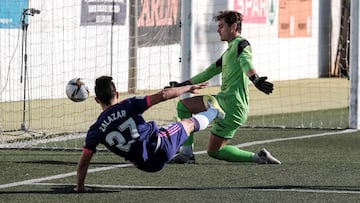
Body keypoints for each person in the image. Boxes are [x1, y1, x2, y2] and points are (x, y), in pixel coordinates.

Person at [74, 75, 225, 192]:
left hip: (146, 165)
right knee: (189, 123)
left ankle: (185, 151)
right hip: (161, 146)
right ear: (117, 94)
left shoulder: (95, 130)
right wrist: (188, 88)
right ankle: (214, 111)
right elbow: (164, 95)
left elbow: (84, 161)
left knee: (139, 148)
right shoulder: (129, 105)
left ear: (97, 100)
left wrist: (80, 187)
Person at [168, 10, 281, 164]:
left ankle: (186, 154)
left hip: (229, 103)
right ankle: (259, 157)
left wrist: (255, 79)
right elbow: (209, 72)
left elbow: (246, 62)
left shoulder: (242, 44)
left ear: (233, 26)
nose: (218, 29)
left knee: (183, 106)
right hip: (236, 109)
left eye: (221, 26)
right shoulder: (230, 51)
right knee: (215, 152)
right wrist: (183, 85)